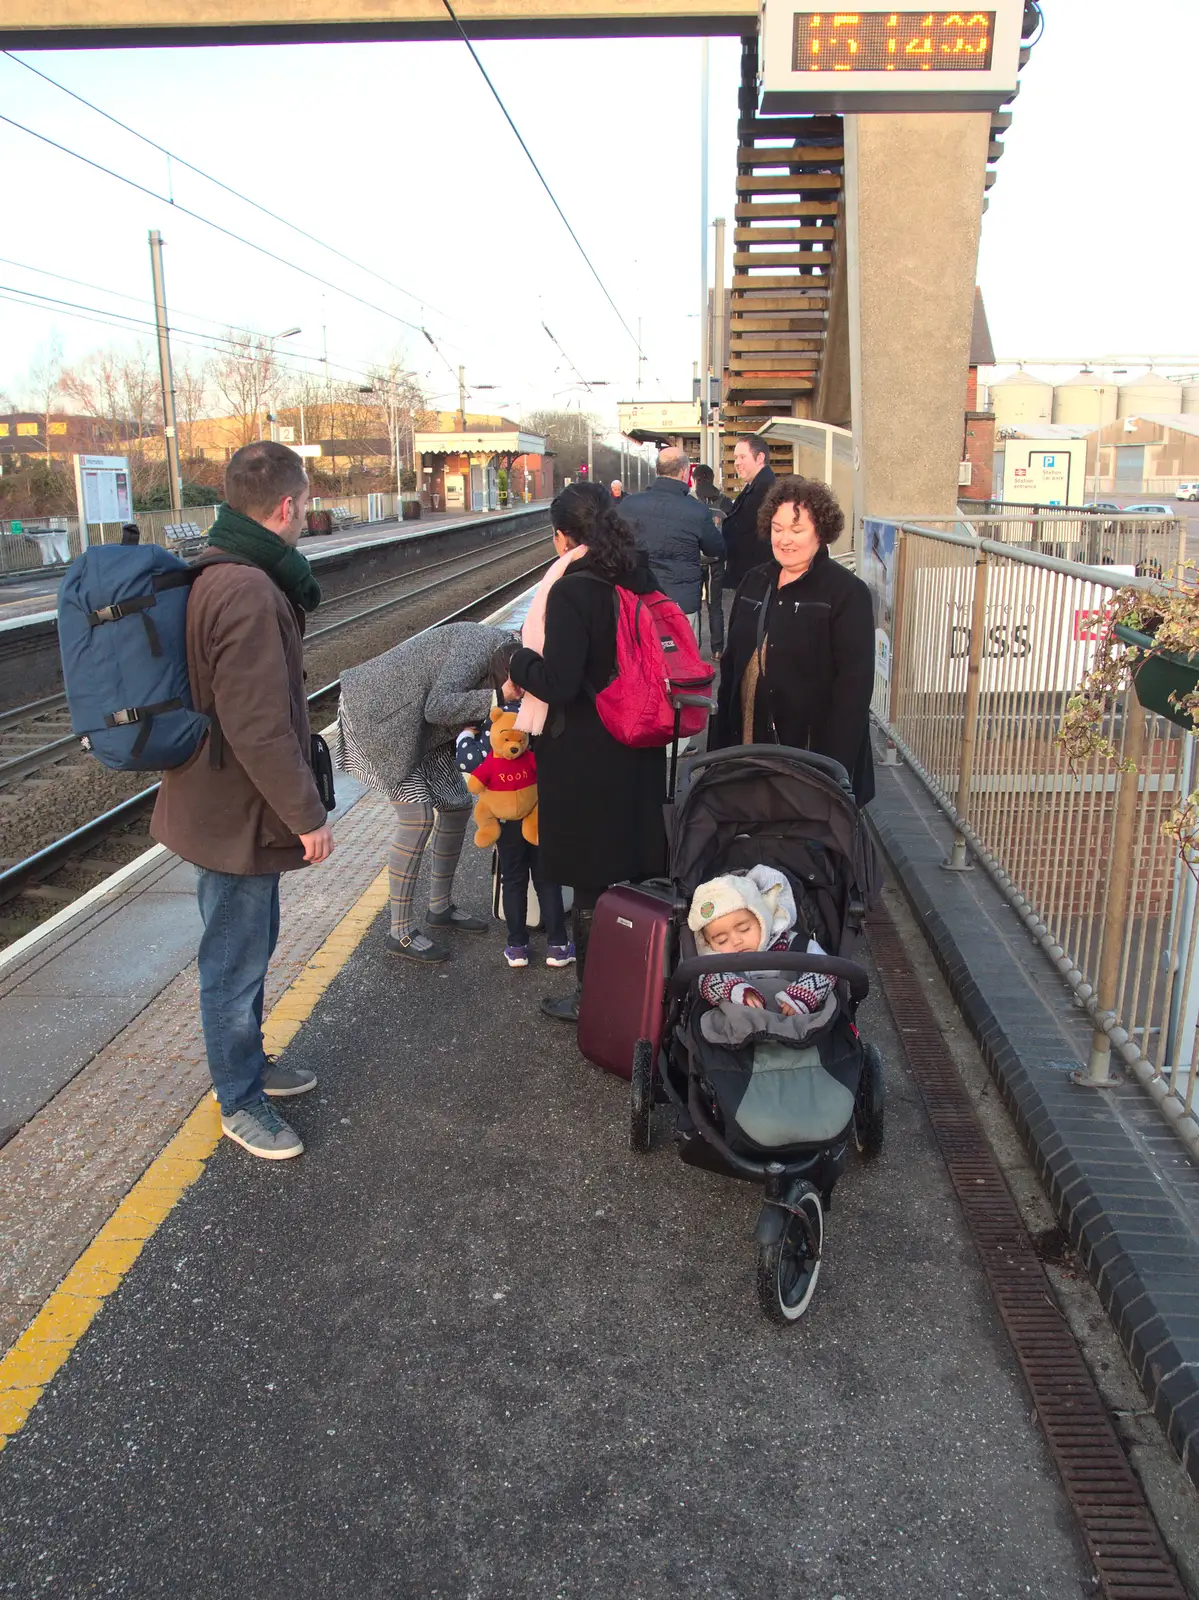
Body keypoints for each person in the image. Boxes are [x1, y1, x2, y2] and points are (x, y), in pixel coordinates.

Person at [151, 441, 333, 1162]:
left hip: (220, 802)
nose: (306, 515)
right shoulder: (251, 590)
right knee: (232, 965)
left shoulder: (221, 569)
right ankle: (240, 1102)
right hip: (236, 813)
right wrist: (307, 817)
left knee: (244, 952)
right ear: (287, 506)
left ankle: (250, 1065)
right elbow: (258, 725)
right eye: (308, 503)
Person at [504, 482, 668, 1023]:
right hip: (637, 744)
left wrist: (516, 661)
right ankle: (641, 987)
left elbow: (560, 681)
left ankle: (593, 998)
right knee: (631, 872)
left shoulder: (574, 591)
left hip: (586, 755)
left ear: (561, 536)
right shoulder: (635, 576)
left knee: (591, 882)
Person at [338, 624, 515, 964]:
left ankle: (440, 907)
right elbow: (438, 706)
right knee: (417, 817)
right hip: (378, 718)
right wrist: (498, 697)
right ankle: (399, 932)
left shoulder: (506, 651)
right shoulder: (475, 647)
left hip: (419, 726)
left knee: (457, 804)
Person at [712, 475, 876, 806]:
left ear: (821, 532)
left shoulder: (846, 592)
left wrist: (833, 774)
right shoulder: (754, 581)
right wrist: (718, 752)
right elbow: (731, 668)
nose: (785, 539)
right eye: (777, 528)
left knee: (805, 853)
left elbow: (854, 689)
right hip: (748, 751)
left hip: (811, 759)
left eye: (797, 530)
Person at [455, 712, 573, 969]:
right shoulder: (535, 730)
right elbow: (549, 774)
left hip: (506, 825)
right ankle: (558, 946)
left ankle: (517, 946)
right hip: (536, 819)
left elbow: (472, 777)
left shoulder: (489, 724)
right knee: (547, 880)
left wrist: (465, 735)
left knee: (512, 881)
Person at [689, 865, 833, 1019]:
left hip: (794, 1021)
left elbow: (827, 969)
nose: (736, 941)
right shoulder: (714, 963)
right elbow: (705, 980)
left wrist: (803, 995)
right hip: (740, 1027)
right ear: (708, 943)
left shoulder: (795, 945)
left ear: (762, 920)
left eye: (744, 929)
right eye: (721, 940)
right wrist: (734, 989)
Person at [616, 446, 724, 639]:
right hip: (682, 603)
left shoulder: (628, 506)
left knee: (643, 662)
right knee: (684, 662)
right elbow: (716, 548)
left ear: (657, 471)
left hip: (639, 601)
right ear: (685, 473)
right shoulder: (697, 511)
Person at [721, 435, 776, 587]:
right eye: (735, 457)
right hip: (749, 576)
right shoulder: (755, 486)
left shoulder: (765, 489)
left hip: (756, 579)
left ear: (760, 458)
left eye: (742, 457)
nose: (737, 463)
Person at [690, 463, 733, 656]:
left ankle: (694, 648)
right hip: (717, 560)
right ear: (713, 478)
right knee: (715, 605)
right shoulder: (724, 501)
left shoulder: (689, 500)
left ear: (695, 479)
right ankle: (717, 649)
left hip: (695, 559)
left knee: (695, 606)